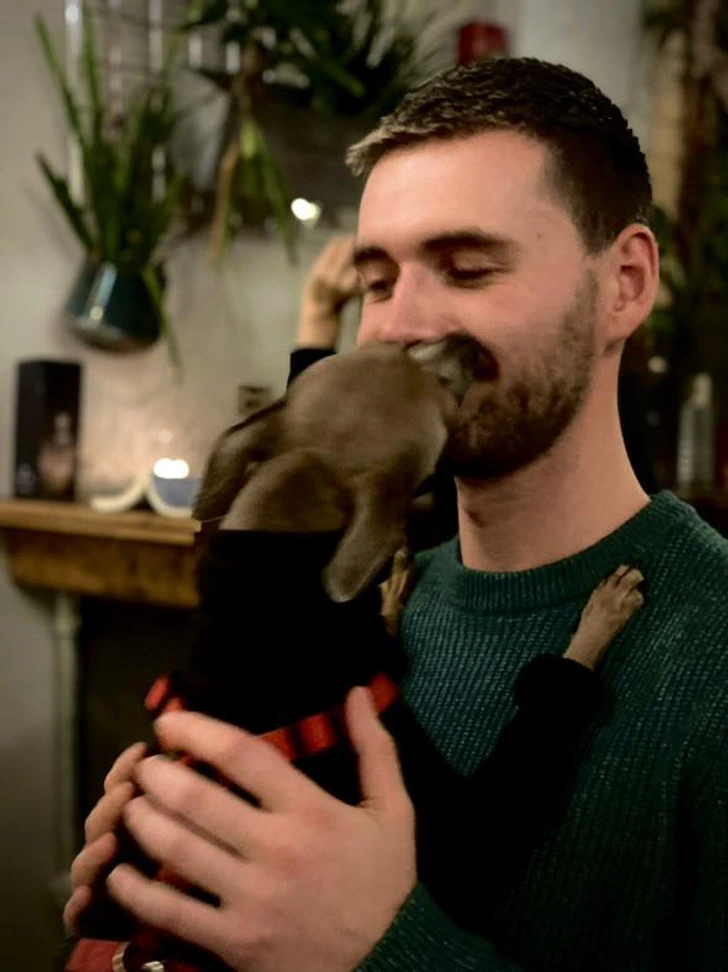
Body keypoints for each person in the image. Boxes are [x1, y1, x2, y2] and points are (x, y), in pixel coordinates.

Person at [65, 57, 728, 971]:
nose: (398, 326)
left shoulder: (713, 651)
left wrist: (378, 949)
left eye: (466, 269)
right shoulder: (362, 602)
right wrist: (174, 882)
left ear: (624, 283)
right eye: (377, 282)